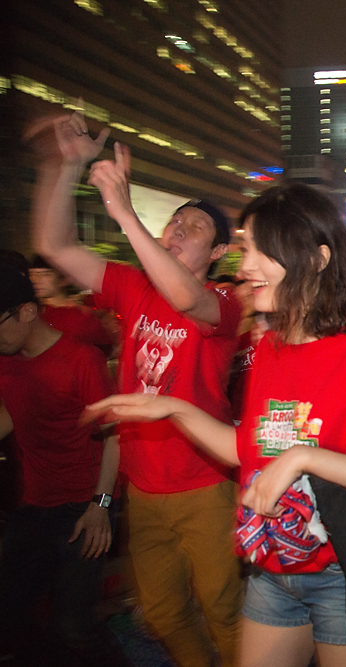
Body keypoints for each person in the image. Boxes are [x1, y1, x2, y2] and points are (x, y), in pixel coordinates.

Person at [86, 183, 346, 667]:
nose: (245, 268)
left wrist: (302, 458)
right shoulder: (268, 349)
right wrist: (175, 411)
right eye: (246, 249)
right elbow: (250, 450)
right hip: (271, 572)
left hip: (345, 573)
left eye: (260, 251)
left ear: (316, 258)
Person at [29, 111, 243, 667]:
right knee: (164, 613)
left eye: (193, 229)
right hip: (143, 489)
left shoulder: (224, 302)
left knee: (223, 608)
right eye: (175, 223)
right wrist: (65, 166)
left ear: (218, 252)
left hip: (204, 485)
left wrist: (124, 213)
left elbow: (185, 301)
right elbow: (54, 246)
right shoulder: (131, 286)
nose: (176, 231)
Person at [0, 264, 132, 667]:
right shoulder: (7, 359)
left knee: (74, 626)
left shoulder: (80, 359)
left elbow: (115, 435)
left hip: (83, 506)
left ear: (26, 312)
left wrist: (101, 506)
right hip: (35, 504)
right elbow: (13, 412)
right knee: (9, 613)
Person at [28, 256, 117, 356]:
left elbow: (106, 350)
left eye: (45, 274)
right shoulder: (30, 313)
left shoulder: (80, 316)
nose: (36, 280)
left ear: (64, 279)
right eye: (32, 274)